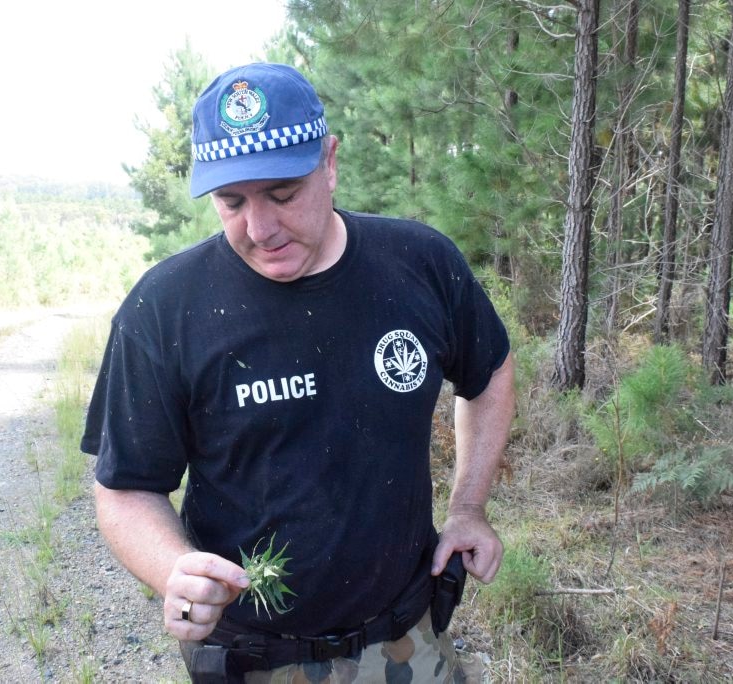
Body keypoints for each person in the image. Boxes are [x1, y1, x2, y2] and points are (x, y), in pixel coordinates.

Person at [81, 62, 515, 683]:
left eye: (283, 195)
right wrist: (172, 568)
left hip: (406, 638)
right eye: (231, 202)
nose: (259, 229)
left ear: (330, 162)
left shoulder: (419, 264)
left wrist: (469, 506)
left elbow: (491, 370)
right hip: (251, 657)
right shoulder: (164, 309)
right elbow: (125, 488)